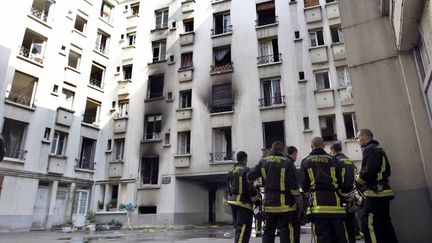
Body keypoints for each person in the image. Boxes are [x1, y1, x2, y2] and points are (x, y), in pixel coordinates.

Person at [248, 141, 301, 243]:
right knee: (285, 232)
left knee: (268, 232)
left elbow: (250, 176)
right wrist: (297, 202)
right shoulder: (288, 162)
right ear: (283, 150)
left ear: (272, 149)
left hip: (268, 205)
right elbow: (294, 186)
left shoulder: (262, 161)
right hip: (286, 206)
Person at [301, 137, 348, 243]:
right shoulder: (334, 159)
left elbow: (304, 185)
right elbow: (341, 181)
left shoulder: (305, 161)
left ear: (311, 146)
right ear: (323, 146)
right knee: (339, 235)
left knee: (321, 236)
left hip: (317, 204)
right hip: (335, 203)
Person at [355, 129, 398, 243]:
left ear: (364, 137)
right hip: (383, 191)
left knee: (369, 223)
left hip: (375, 193)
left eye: (358, 138)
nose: (357, 140)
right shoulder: (378, 148)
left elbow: (368, 171)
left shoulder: (370, 149)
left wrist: (357, 182)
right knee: (384, 223)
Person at [227, 151, 260, 243]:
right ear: (245, 159)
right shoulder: (246, 170)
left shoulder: (231, 171)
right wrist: (257, 201)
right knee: (243, 229)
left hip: (233, 202)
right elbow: (250, 188)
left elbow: (229, 188)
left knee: (238, 228)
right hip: (243, 204)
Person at [331, 142, 361, 243]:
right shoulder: (350, 160)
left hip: (340, 194)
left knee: (341, 225)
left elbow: (335, 178)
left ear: (333, 151)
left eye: (331, 152)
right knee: (351, 221)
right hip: (351, 194)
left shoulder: (335, 160)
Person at [286, 146, 302, 243]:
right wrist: (298, 198)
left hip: (274, 201)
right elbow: (293, 183)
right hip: (290, 200)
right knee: (294, 225)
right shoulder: (289, 163)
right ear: (294, 153)